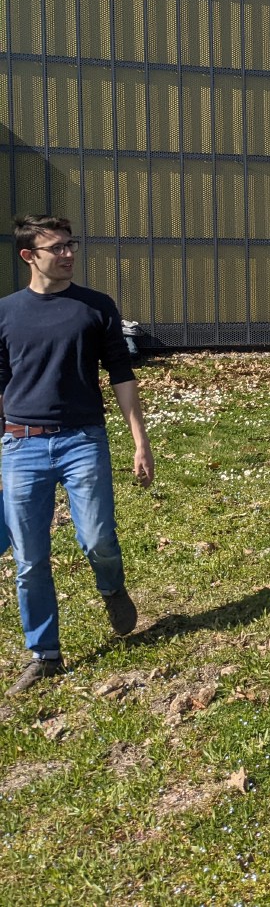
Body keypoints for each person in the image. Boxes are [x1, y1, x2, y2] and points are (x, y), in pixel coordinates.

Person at [0, 215, 153, 695]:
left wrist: (139, 441)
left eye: (71, 245)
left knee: (98, 540)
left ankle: (111, 588)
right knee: (29, 559)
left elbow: (122, 377)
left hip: (82, 440)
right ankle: (45, 653)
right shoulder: (5, 313)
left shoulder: (95, 307)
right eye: (57, 248)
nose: (68, 254)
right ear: (30, 256)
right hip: (21, 444)